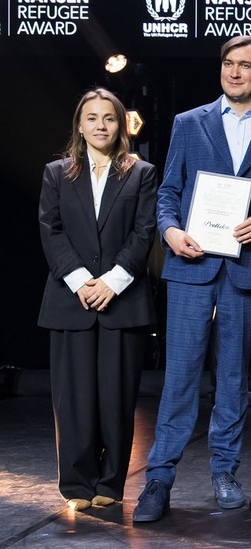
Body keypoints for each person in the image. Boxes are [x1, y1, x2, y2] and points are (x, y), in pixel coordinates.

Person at [134, 36, 251, 523]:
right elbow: (169, 191)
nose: (234, 72)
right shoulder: (189, 123)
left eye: (245, 65)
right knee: (181, 375)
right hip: (191, 264)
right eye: (228, 64)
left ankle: (225, 474)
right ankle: (159, 479)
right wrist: (169, 230)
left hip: (245, 267)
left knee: (232, 379)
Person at [38, 88, 158, 512]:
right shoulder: (57, 173)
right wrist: (82, 280)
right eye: (92, 118)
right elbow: (50, 231)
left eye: (109, 118)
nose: (101, 125)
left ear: (120, 124)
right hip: (72, 300)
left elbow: (144, 232)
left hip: (121, 302)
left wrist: (112, 281)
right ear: (80, 125)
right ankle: (76, 484)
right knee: (72, 400)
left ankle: (110, 482)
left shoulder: (140, 172)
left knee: (116, 398)